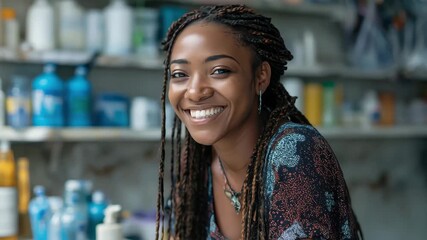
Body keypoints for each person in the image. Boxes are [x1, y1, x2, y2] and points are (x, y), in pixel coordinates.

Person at [156, 4, 363, 240]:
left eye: (219, 71)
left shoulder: (293, 154)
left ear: (260, 77)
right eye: (180, 74)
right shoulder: (194, 164)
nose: (194, 92)